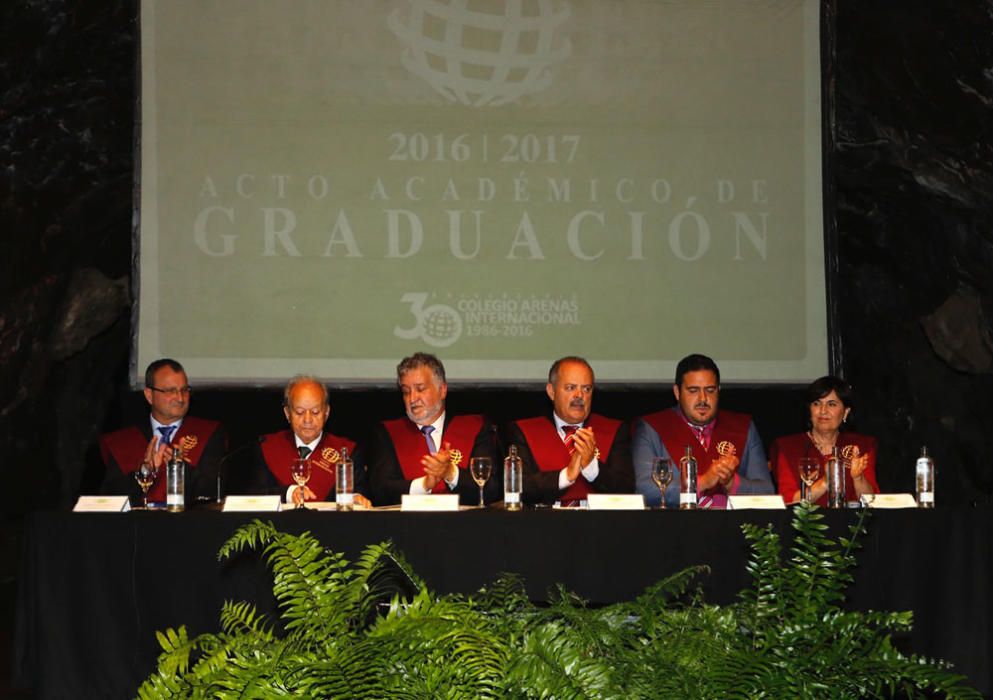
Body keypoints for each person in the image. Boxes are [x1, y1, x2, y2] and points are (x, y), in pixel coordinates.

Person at [633, 353, 773, 508]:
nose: (703, 399)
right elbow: (644, 490)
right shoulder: (652, 428)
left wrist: (732, 483)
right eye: (693, 390)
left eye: (710, 390)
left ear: (719, 390)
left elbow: (767, 492)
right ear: (677, 393)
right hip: (675, 528)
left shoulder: (743, 427)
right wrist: (702, 482)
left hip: (733, 528)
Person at [368, 352, 501, 506]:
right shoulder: (388, 433)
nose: (412, 399)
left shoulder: (476, 428)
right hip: (407, 526)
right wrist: (424, 485)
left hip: (465, 526)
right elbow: (379, 491)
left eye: (420, 389)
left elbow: (491, 490)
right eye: (406, 392)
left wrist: (451, 473)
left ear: (442, 390)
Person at [507, 356, 633, 506]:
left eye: (586, 388)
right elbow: (518, 488)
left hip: (600, 525)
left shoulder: (613, 431)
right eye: (570, 388)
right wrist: (566, 476)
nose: (579, 395)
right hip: (543, 525)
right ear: (551, 392)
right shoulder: (524, 431)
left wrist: (592, 468)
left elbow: (628, 490)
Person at [99, 358, 226, 504]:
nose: (180, 398)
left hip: (188, 523)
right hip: (136, 524)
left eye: (184, 390)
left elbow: (213, 492)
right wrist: (144, 473)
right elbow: (110, 498)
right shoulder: (124, 441)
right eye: (171, 391)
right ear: (149, 395)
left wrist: (181, 470)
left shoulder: (208, 433)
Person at [253, 375, 371, 507]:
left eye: (315, 412)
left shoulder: (348, 452)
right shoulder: (267, 446)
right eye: (299, 412)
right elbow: (253, 496)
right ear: (287, 413)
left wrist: (354, 499)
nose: (307, 420)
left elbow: (361, 493)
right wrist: (288, 493)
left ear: (326, 412)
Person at [770, 375, 878, 506]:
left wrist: (858, 477)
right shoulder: (788, 446)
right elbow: (788, 501)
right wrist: (825, 482)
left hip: (851, 524)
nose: (823, 411)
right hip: (806, 524)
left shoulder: (860, 446)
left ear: (845, 412)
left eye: (831, 404)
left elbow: (872, 502)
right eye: (816, 404)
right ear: (810, 410)